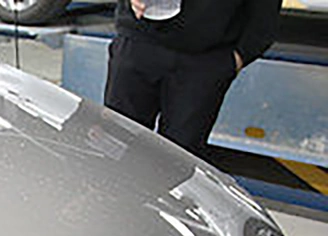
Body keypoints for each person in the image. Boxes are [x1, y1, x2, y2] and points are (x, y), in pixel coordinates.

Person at [104, 0, 283, 157]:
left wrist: (239, 57)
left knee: (179, 162)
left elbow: (264, 17)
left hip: (205, 59)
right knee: (116, 146)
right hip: (138, 39)